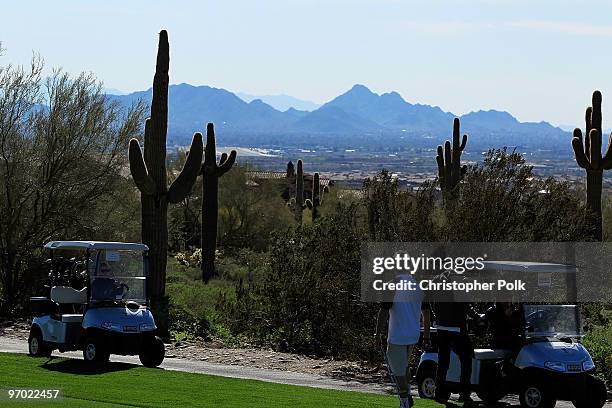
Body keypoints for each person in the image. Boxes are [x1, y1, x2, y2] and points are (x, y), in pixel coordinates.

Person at [423, 272, 481, 405]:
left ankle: (439, 392)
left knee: (443, 361)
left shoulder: (436, 279)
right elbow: (465, 305)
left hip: (442, 327)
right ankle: (464, 393)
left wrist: (437, 316)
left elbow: (430, 302)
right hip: (457, 328)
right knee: (466, 359)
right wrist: (477, 317)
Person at [376, 273, 428, 408]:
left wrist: (377, 334)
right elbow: (426, 312)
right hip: (413, 335)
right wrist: (426, 335)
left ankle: (404, 400)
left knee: (397, 372)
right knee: (404, 366)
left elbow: (383, 311)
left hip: (397, 336)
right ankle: (408, 392)